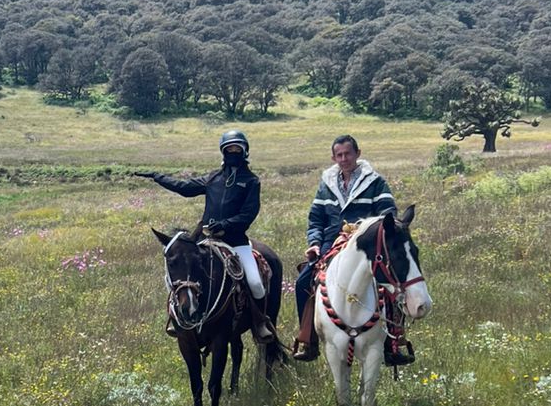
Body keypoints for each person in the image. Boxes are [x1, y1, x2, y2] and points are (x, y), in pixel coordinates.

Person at [134, 129, 276, 342]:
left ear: (245, 152)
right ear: (223, 152)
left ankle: (259, 321)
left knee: (255, 282)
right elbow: (185, 187)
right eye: (229, 149)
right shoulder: (213, 178)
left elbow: (249, 213)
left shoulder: (251, 181)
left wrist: (225, 225)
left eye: (237, 149)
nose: (233, 153)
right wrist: (158, 177)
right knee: (184, 273)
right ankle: (178, 316)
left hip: (235, 242)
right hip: (206, 240)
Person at [291, 134, 397, 361]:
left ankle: (394, 342)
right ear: (333, 157)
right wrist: (315, 244)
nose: (343, 158)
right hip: (331, 243)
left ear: (358, 154)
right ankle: (308, 339)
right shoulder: (326, 185)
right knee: (303, 282)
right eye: (338, 155)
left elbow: (388, 216)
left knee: (390, 283)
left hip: (366, 246)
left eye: (348, 153)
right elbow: (316, 219)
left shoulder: (375, 182)